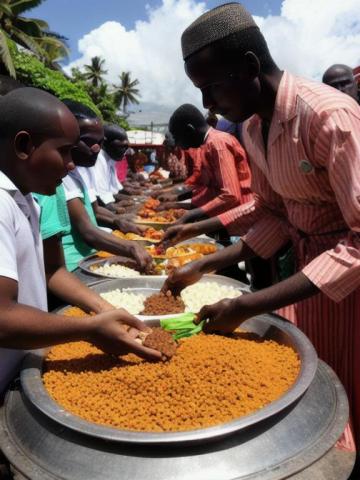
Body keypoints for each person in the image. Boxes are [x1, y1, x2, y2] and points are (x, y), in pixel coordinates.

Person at [162, 2, 360, 453]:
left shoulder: (328, 116)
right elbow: (271, 213)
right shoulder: (254, 128)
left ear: (249, 66)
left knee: (349, 385)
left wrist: (250, 302)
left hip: (350, 286)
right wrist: (209, 262)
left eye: (211, 87)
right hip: (307, 279)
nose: (209, 104)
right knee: (319, 386)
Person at [0, 87, 161, 401]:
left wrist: (105, 310)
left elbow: (52, 270)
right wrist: (89, 329)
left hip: (21, 367)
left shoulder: (27, 198)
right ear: (23, 145)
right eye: (63, 151)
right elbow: (2, 318)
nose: (71, 164)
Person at [160, 103, 252, 224]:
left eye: (178, 139)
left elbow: (230, 196)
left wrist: (191, 214)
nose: (179, 145)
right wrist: (177, 203)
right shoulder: (207, 145)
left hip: (242, 220)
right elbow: (210, 190)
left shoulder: (217, 144)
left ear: (189, 130)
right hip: (225, 218)